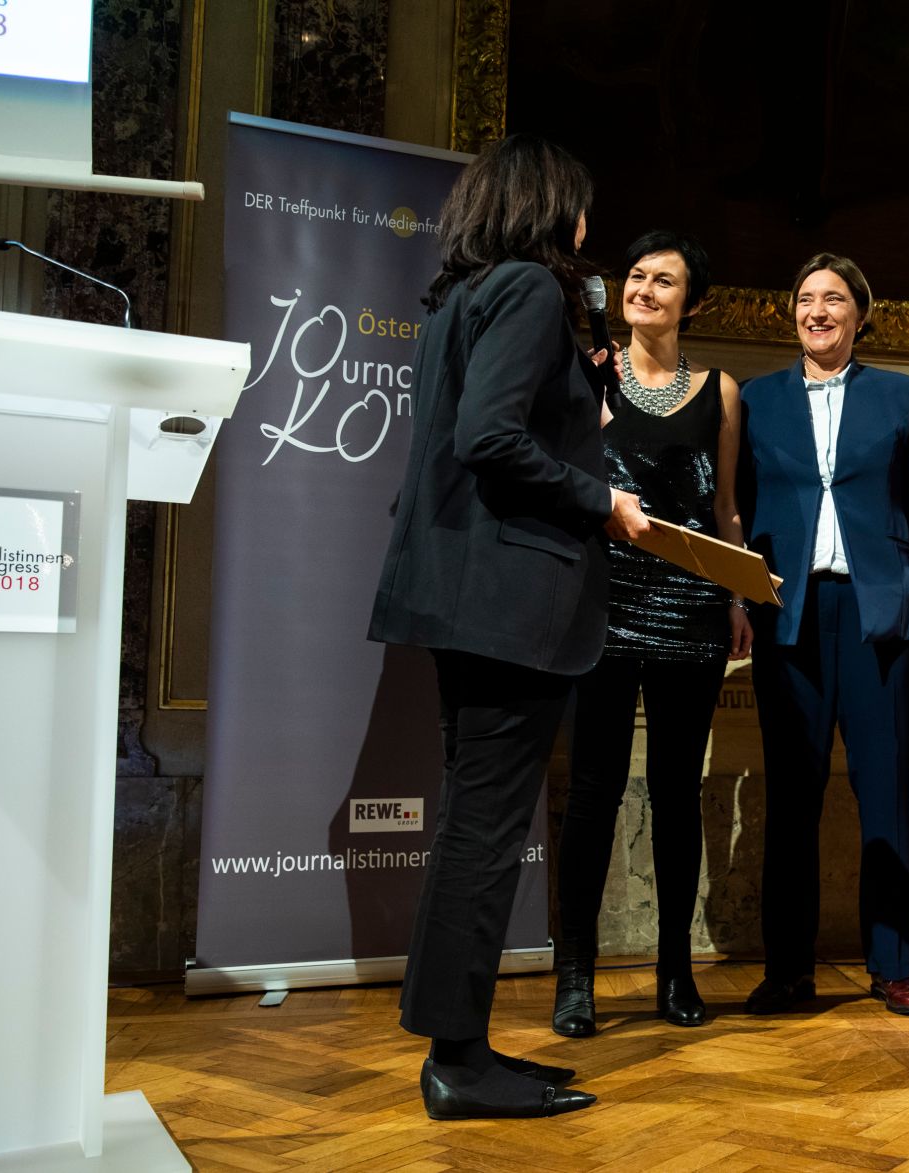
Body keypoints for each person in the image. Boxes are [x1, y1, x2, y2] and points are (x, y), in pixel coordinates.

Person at [367, 134, 649, 1119]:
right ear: (544, 208)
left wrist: (587, 390)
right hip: (508, 599)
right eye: (578, 207)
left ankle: (459, 1046)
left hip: (460, 592)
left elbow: (491, 426)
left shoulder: (460, 295)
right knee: (483, 833)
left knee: (470, 829)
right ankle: (457, 1062)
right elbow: (487, 438)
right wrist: (598, 498)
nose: (585, 228)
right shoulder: (529, 288)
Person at [552, 231, 751, 1037]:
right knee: (594, 792)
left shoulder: (721, 391)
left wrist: (738, 594)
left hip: (692, 608)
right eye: (635, 276)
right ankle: (576, 978)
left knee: (676, 793)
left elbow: (725, 506)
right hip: (602, 602)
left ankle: (675, 972)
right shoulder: (589, 373)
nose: (641, 290)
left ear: (691, 302)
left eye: (662, 280)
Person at [738, 253, 909, 1017]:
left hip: (873, 613)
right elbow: (746, 502)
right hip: (787, 615)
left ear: (860, 312)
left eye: (834, 299)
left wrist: (873, 561)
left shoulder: (900, 395)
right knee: (792, 796)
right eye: (806, 298)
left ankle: (893, 966)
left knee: (884, 793)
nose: (817, 310)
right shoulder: (755, 400)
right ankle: (789, 969)